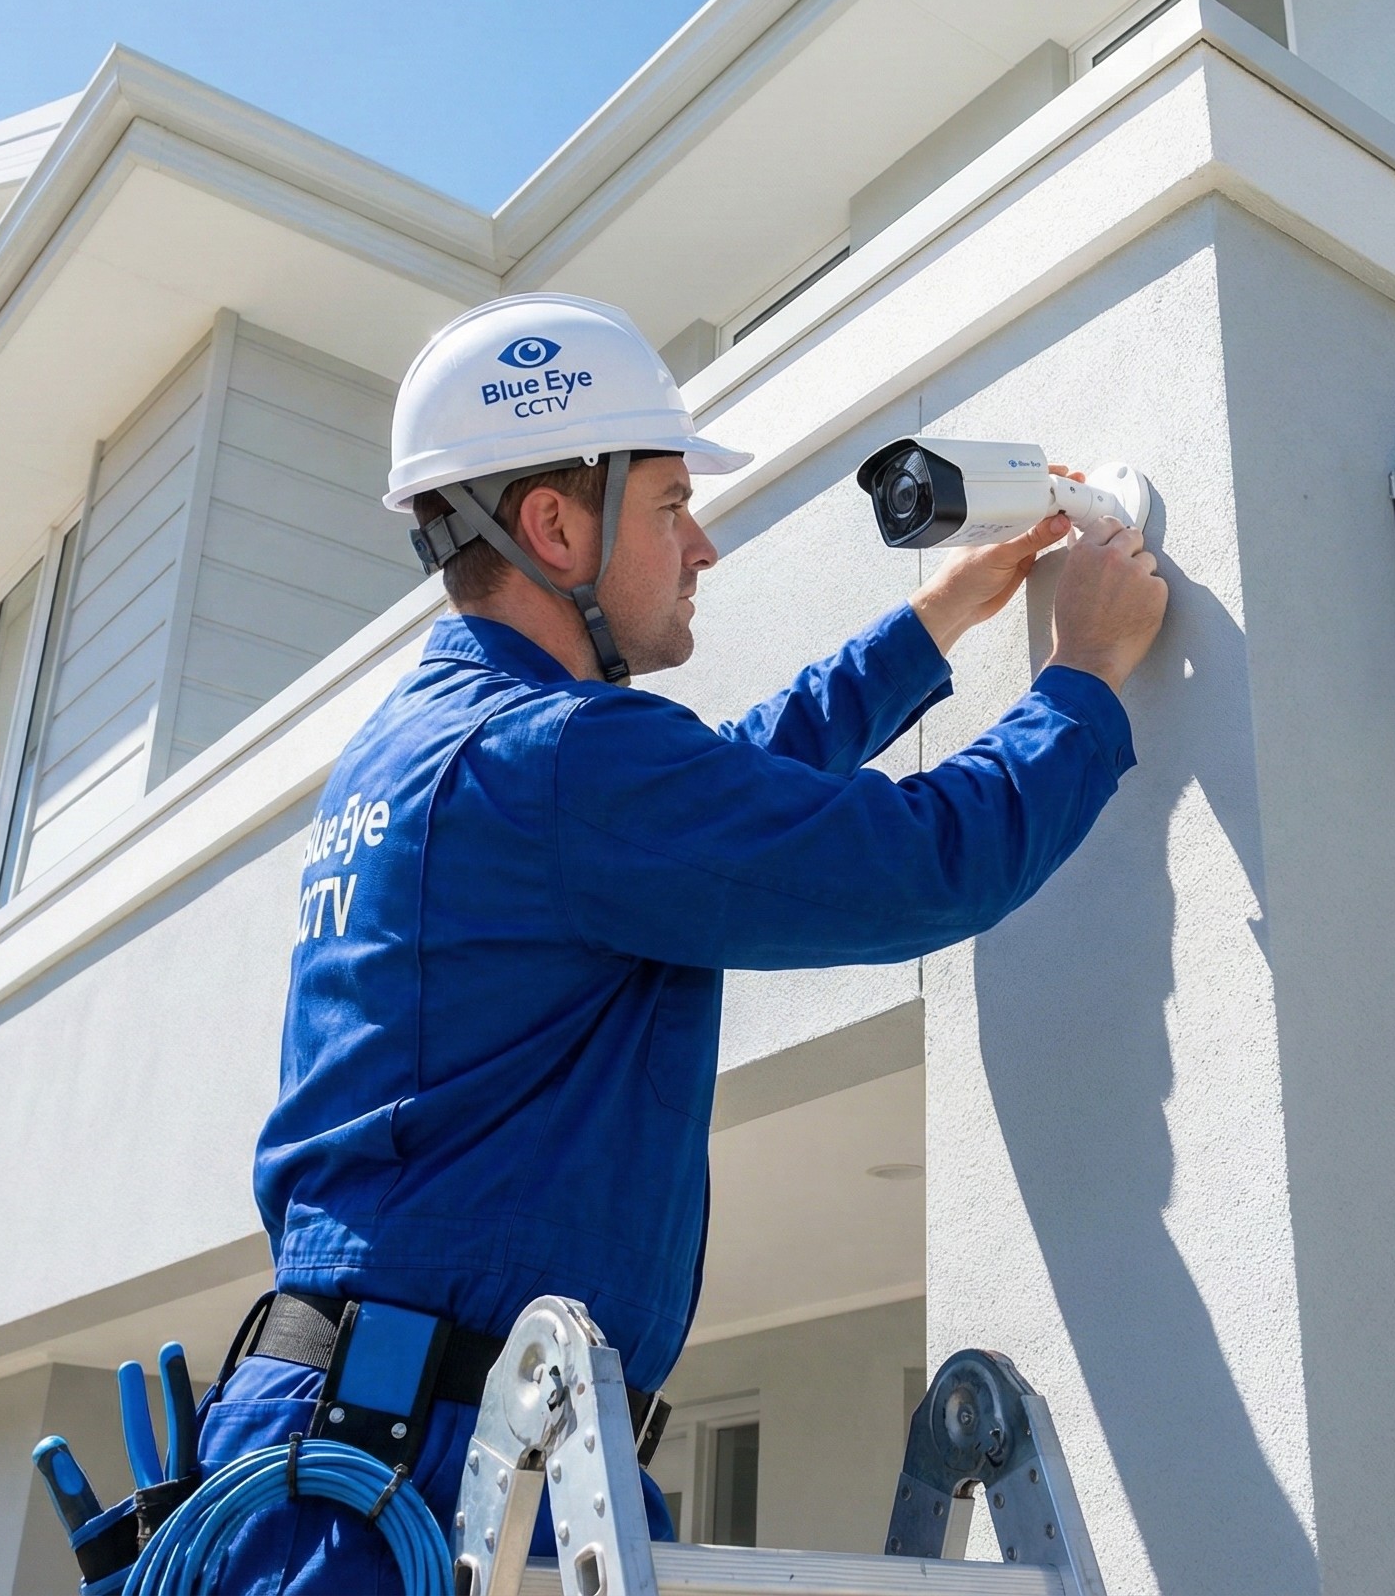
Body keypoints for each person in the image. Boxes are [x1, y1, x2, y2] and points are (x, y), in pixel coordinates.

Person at [194, 293, 1167, 1591]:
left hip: (383, 1448)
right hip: (416, 1481)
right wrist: (1084, 676)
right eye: (666, 506)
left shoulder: (437, 742)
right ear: (553, 525)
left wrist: (937, 620)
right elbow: (929, 862)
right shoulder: (551, 760)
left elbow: (717, 789)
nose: (701, 545)